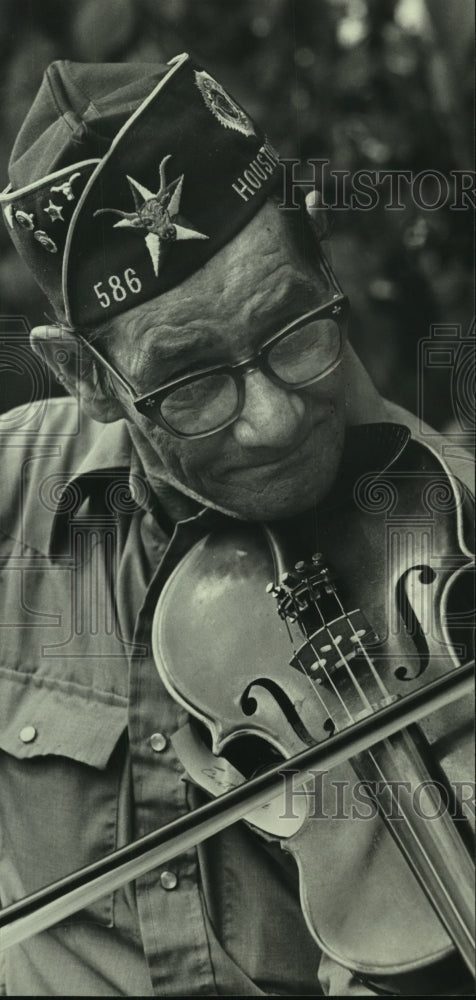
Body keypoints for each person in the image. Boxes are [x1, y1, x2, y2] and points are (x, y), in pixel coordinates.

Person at [0, 54, 473, 997]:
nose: (277, 417)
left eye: (296, 328)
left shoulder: (454, 536)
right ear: (89, 378)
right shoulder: (11, 497)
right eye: (192, 383)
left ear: (324, 261)